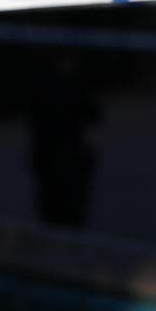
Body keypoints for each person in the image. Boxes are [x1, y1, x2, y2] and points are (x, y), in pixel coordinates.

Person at [26, 56, 102, 227]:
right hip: (69, 157)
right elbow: (95, 116)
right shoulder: (75, 86)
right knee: (71, 210)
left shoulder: (40, 84)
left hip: (47, 154)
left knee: (51, 207)